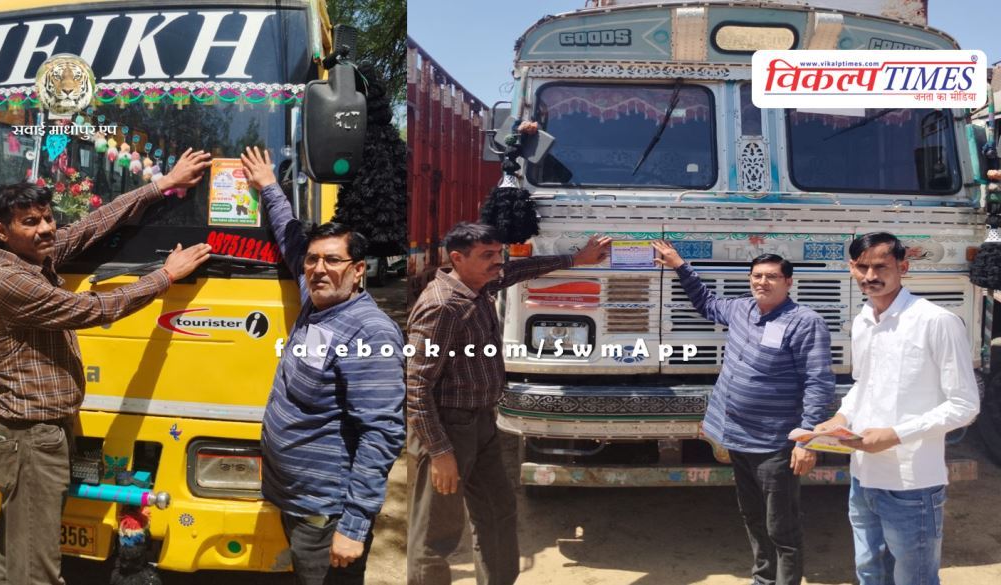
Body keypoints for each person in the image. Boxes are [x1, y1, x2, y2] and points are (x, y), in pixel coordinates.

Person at [0, 149, 213, 585]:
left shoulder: (30, 258)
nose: (47, 228)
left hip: (32, 433)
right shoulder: (12, 280)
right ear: (2, 231)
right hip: (31, 438)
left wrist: (161, 185)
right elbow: (95, 307)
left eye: (47, 217)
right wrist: (165, 276)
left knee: (13, 548)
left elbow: (89, 226)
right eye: (30, 222)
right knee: (37, 569)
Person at [406, 222, 610, 585]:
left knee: (498, 512)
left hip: (482, 425)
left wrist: (576, 259)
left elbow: (518, 269)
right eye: (487, 255)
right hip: (447, 431)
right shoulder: (442, 306)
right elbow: (417, 388)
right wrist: (439, 453)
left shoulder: (478, 284)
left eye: (498, 253)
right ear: (457, 258)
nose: (498, 261)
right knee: (435, 533)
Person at [241, 146, 405, 584]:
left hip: (325, 514)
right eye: (314, 261)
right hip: (297, 502)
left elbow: (383, 433)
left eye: (332, 260)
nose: (317, 268)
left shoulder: (369, 332)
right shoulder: (318, 302)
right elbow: (291, 238)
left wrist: (353, 527)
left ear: (358, 271)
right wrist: (270, 188)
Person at [653, 240, 834, 585]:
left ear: (788, 282)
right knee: (753, 517)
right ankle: (763, 579)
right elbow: (705, 302)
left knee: (781, 524)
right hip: (738, 437)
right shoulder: (741, 309)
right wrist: (679, 264)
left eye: (771, 277)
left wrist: (806, 440)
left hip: (775, 443)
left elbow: (818, 383)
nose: (762, 283)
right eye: (756, 276)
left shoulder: (805, 323)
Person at [814, 232, 979, 585]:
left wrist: (895, 435)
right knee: (870, 572)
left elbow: (965, 405)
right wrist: (840, 418)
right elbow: (863, 384)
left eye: (880, 266)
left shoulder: (936, 321)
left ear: (903, 267)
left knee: (914, 579)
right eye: (862, 267)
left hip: (912, 484)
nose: (870, 275)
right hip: (862, 478)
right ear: (851, 268)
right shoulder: (863, 321)